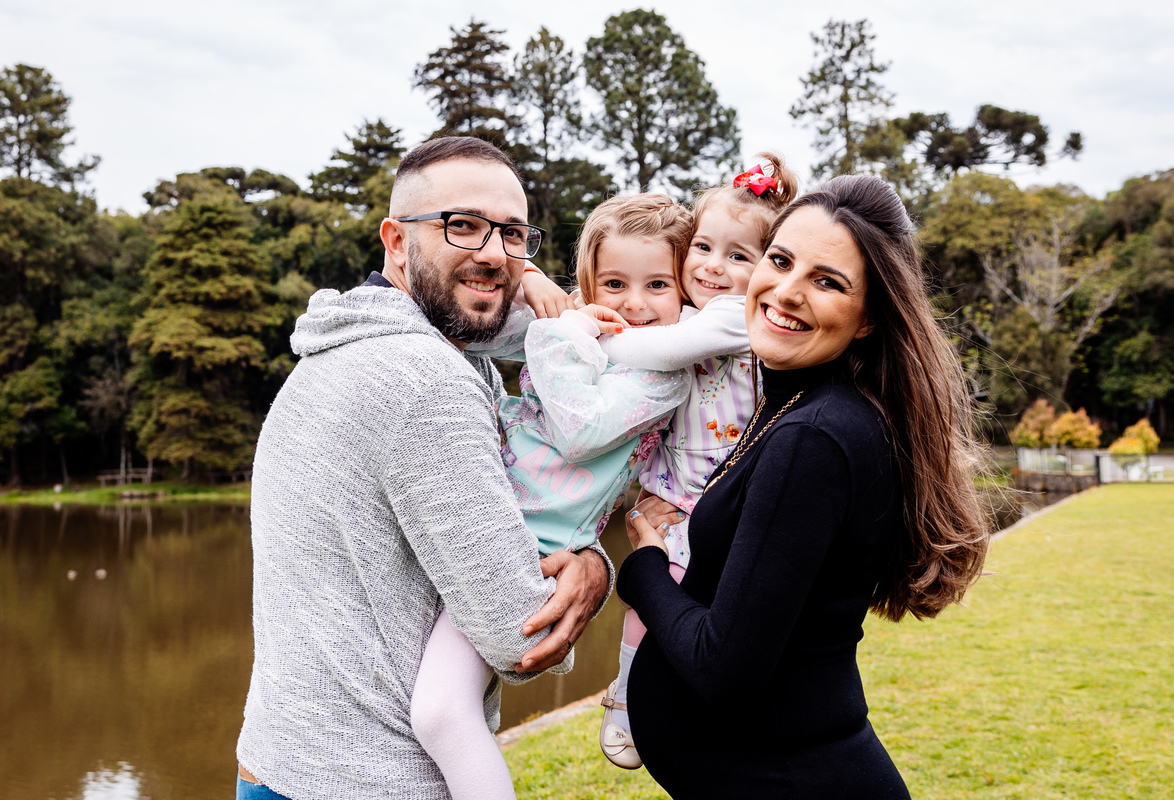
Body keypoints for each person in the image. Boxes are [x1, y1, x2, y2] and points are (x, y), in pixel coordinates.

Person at [234, 136, 612, 800]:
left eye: (513, 234)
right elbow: (517, 631)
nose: (494, 253)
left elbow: (526, 330)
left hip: (280, 760)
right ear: (397, 240)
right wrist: (594, 566)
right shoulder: (424, 379)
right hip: (367, 781)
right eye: (461, 225)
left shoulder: (342, 344)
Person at [618, 175, 992, 798]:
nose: (785, 292)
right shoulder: (794, 406)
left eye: (827, 281)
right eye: (781, 260)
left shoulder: (814, 438)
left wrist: (644, 571)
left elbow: (724, 669)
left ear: (869, 316)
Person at [409, 193, 693, 800]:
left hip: (532, 549)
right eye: (614, 282)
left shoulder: (661, 374)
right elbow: (468, 331)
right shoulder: (593, 337)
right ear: (589, 283)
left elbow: (579, 428)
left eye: (657, 285)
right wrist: (534, 283)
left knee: (440, 711)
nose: (635, 304)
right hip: (479, 521)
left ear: (684, 291)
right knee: (432, 702)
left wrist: (562, 331)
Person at [589, 155, 799, 768]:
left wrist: (591, 336)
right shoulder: (687, 310)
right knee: (652, 598)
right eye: (703, 247)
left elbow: (663, 346)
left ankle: (635, 702)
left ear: (768, 269)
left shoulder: (737, 319)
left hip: (709, 497)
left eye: (740, 255)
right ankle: (631, 696)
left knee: (669, 595)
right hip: (675, 489)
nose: (713, 265)